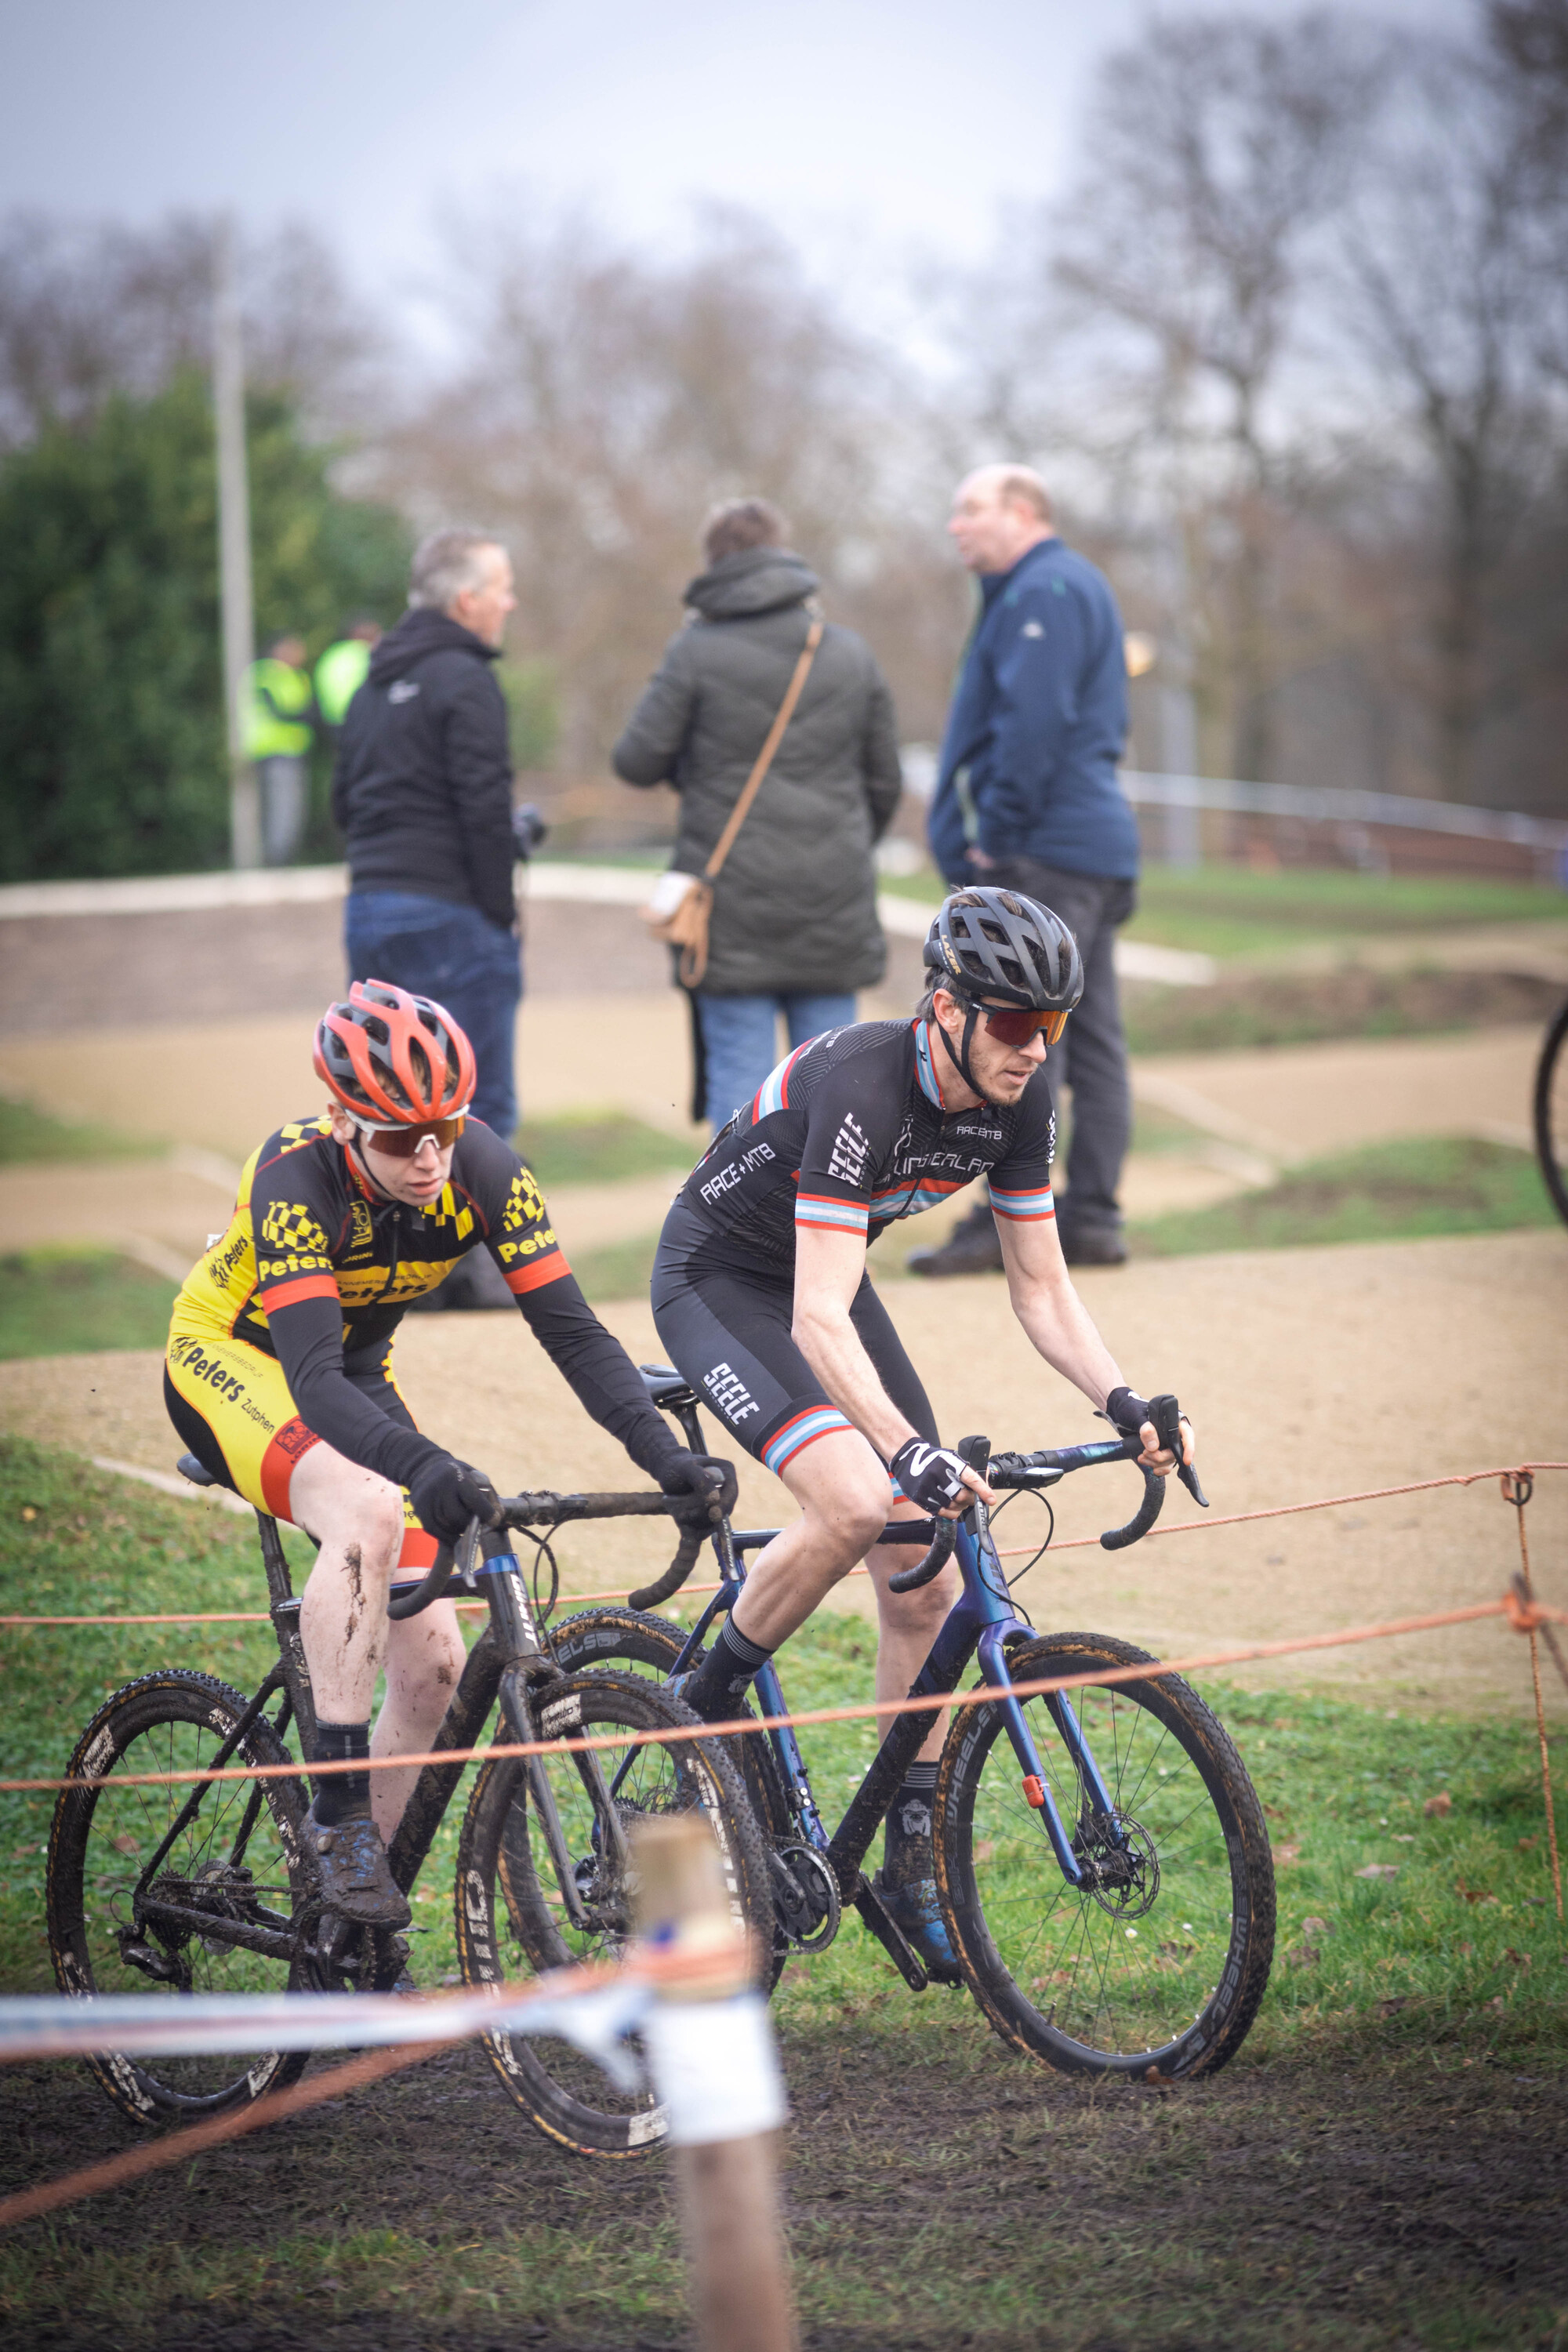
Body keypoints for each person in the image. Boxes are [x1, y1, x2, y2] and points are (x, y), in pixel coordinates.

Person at [649, 887, 1192, 1976]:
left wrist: (1124, 1401)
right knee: (859, 1499)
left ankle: (908, 1865)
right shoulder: (860, 1084)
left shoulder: (1018, 1102)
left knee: (929, 1569)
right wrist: (904, 1447)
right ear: (945, 1006)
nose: (1034, 1050)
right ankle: (690, 1712)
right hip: (721, 1281)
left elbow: (1040, 1290)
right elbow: (808, 1318)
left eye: (1053, 1028)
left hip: (823, 1280)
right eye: (1012, 1024)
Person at [163, 980, 734, 1931]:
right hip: (234, 1363)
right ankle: (338, 1814)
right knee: (370, 1508)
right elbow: (309, 1380)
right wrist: (422, 1466)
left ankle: (344, 1921)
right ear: (345, 1120)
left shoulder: (484, 1168)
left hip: (353, 1376)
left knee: (432, 1668)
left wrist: (663, 1454)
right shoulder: (293, 1177)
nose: (429, 1156)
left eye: (445, 1127)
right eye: (399, 1138)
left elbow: (575, 1335)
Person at [911, 465, 1141, 1275]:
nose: (954, 526)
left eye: (968, 508)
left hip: (1052, 850)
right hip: (1090, 850)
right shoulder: (1051, 588)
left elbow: (1032, 726)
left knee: (1027, 1034)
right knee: (1091, 1036)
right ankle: (1092, 1217)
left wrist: (994, 842)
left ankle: (1014, 1226)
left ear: (1021, 512)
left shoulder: (1045, 590)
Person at [613, 497, 903, 1128]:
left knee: (743, 1099)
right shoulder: (849, 653)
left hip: (729, 903)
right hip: (832, 896)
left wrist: (692, 767)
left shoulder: (694, 651)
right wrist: (846, 843)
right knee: (837, 1096)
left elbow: (635, 760)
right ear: (783, 553)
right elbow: (886, 781)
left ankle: (736, 1228)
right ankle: (835, 1225)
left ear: (714, 564)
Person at [243, 632, 315, 867]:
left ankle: (279, 859)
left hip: (287, 751)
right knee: (283, 809)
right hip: (276, 750)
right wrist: (306, 717)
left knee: (285, 808)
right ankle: (276, 862)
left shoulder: (291, 676)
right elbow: (279, 711)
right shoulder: (268, 674)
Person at [314, 616, 383, 738]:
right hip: (362, 719)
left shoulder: (332, 653)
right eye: (376, 633)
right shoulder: (364, 652)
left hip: (334, 721)